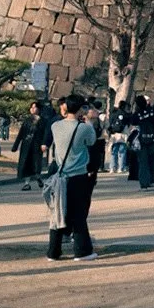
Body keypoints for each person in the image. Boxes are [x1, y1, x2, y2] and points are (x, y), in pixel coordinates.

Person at [45, 97, 98, 262]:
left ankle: (53, 251)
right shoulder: (83, 128)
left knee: (58, 213)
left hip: (60, 175)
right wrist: (88, 121)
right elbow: (92, 141)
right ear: (81, 109)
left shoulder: (55, 126)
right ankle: (82, 251)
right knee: (79, 215)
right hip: (78, 175)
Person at [13, 101, 46, 188]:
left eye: (35, 107)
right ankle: (27, 183)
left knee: (35, 164)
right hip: (26, 145)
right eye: (31, 107)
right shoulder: (27, 120)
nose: (32, 109)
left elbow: (45, 134)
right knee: (26, 164)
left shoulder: (43, 121)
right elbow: (21, 133)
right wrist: (15, 145)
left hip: (36, 145)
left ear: (39, 109)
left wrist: (44, 144)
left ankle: (38, 177)